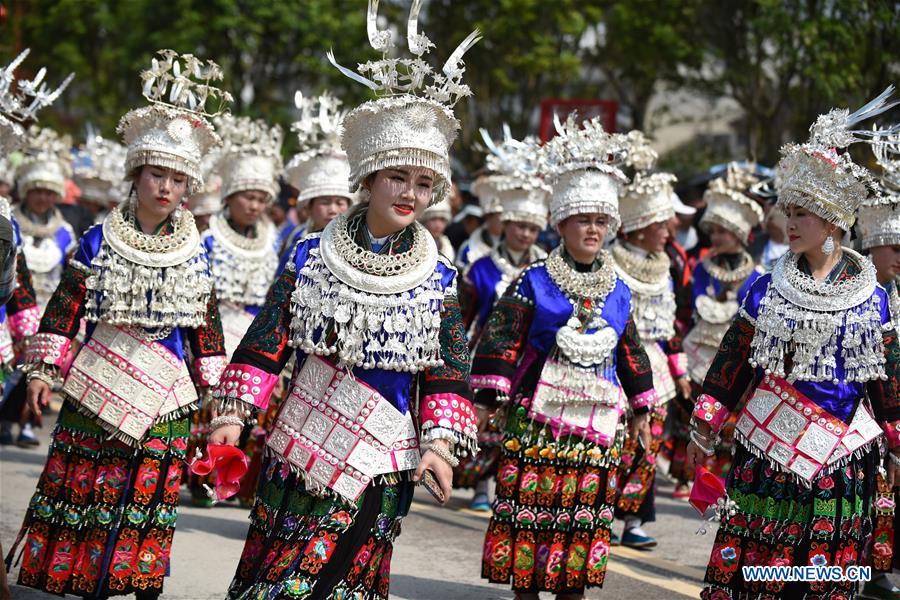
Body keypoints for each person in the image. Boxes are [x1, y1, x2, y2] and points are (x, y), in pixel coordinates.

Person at [212, 6, 479, 598]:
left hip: (382, 455)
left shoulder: (437, 274)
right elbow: (268, 339)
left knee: (346, 583)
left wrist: (439, 445)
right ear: (369, 178)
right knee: (279, 581)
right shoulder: (312, 254)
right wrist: (234, 415)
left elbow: (446, 368)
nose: (410, 194)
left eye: (424, 184)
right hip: (302, 443)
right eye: (397, 178)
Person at [4, 50, 229, 599]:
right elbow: (66, 307)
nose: (166, 187)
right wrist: (43, 371)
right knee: (92, 492)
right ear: (136, 174)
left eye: (178, 179)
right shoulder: (96, 239)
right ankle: (89, 581)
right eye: (157, 174)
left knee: (150, 497)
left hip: (167, 395)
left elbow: (206, 324)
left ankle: (142, 581)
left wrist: (217, 393)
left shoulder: (195, 249)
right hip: (98, 384)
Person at [687, 92, 900, 600]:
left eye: (803, 214)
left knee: (825, 577)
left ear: (832, 222)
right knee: (760, 575)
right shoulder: (766, 288)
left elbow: (888, 378)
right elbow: (732, 362)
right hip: (769, 452)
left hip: (843, 459)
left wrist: (896, 440)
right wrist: (706, 421)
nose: (791, 223)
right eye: (789, 212)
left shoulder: (871, 297)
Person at [477, 115, 656, 599]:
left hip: (597, 423)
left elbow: (630, 349)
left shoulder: (618, 289)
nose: (592, 229)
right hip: (537, 419)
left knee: (582, 518)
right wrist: (486, 402)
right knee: (529, 511)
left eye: (600, 221)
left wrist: (642, 408)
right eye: (583, 220)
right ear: (561, 223)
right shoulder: (534, 280)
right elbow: (502, 338)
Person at [187, 115, 282, 507]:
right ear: (229, 196)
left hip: (253, 331)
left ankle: (239, 480)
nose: (255, 205)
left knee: (253, 407)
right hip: (217, 328)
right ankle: (202, 477)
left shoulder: (272, 239)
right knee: (209, 406)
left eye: (261, 198)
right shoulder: (208, 238)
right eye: (248, 197)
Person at [457, 130, 549, 512]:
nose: (525, 234)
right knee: (487, 420)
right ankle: (480, 485)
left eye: (533, 228)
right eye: (519, 225)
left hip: (531, 357)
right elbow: (463, 315)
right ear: (506, 223)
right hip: (487, 353)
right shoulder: (480, 268)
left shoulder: (547, 269)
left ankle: (512, 489)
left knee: (520, 424)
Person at [611, 138, 689, 548]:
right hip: (613, 366)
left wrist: (680, 370)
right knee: (613, 443)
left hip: (654, 370)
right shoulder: (609, 262)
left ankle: (634, 521)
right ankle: (601, 514)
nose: (669, 232)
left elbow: (669, 324)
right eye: (662, 225)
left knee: (647, 445)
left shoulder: (667, 265)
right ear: (641, 227)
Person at [669, 165, 764, 498]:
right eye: (713, 232)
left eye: (723, 232)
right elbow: (685, 309)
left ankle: (718, 478)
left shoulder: (756, 276)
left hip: (733, 356)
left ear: (738, 234)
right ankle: (686, 475)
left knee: (728, 420)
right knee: (692, 412)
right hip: (698, 350)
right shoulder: (699, 269)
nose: (716, 238)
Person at [1, 126, 77, 448]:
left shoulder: (65, 232)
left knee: (39, 367)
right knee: (10, 366)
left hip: (47, 309)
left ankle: (28, 423)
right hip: (13, 304)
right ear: (27, 191)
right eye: (37, 191)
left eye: (48, 192)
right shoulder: (11, 222)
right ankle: (5, 419)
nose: (42, 197)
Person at [855, 143, 900, 599]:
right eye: (895, 247)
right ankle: (867, 570)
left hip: (893, 406)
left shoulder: (895, 293)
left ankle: (877, 568)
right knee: (876, 492)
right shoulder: (857, 293)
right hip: (861, 411)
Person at [279, 92, 355, 267]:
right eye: (325, 202)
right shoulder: (297, 240)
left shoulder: (358, 242)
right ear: (308, 208)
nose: (333, 210)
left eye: (340, 202)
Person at [457, 174, 504, 270]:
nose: (504, 220)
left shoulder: (514, 245)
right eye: (500, 216)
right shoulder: (469, 248)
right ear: (488, 217)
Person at [420, 197, 456, 261]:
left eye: (442, 219)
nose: (438, 225)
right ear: (424, 220)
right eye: (433, 219)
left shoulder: (448, 248)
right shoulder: (417, 245)